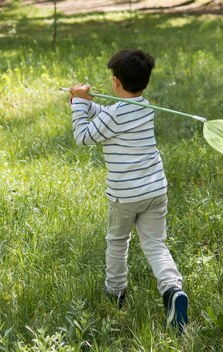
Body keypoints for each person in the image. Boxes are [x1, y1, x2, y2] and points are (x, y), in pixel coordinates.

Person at [67, 49, 188, 331]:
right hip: (155, 190)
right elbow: (110, 115)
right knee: (155, 243)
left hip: (125, 196)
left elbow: (83, 137)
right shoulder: (144, 107)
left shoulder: (116, 115)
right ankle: (172, 289)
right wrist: (84, 102)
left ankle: (116, 292)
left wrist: (77, 106)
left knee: (118, 241)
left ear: (116, 82)